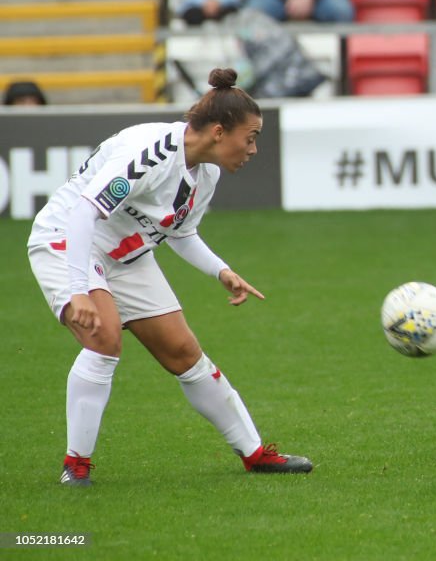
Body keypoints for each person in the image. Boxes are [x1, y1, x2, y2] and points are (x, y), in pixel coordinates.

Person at [27, 69, 313, 487]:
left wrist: (221, 270)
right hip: (66, 240)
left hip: (125, 255)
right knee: (105, 338)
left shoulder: (206, 173)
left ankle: (255, 455)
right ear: (218, 132)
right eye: (249, 138)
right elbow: (85, 212)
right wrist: (77, 289)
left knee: (183, 352)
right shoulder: (152, 152)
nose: (253, 149)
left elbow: (181, 231)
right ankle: (76, 465)